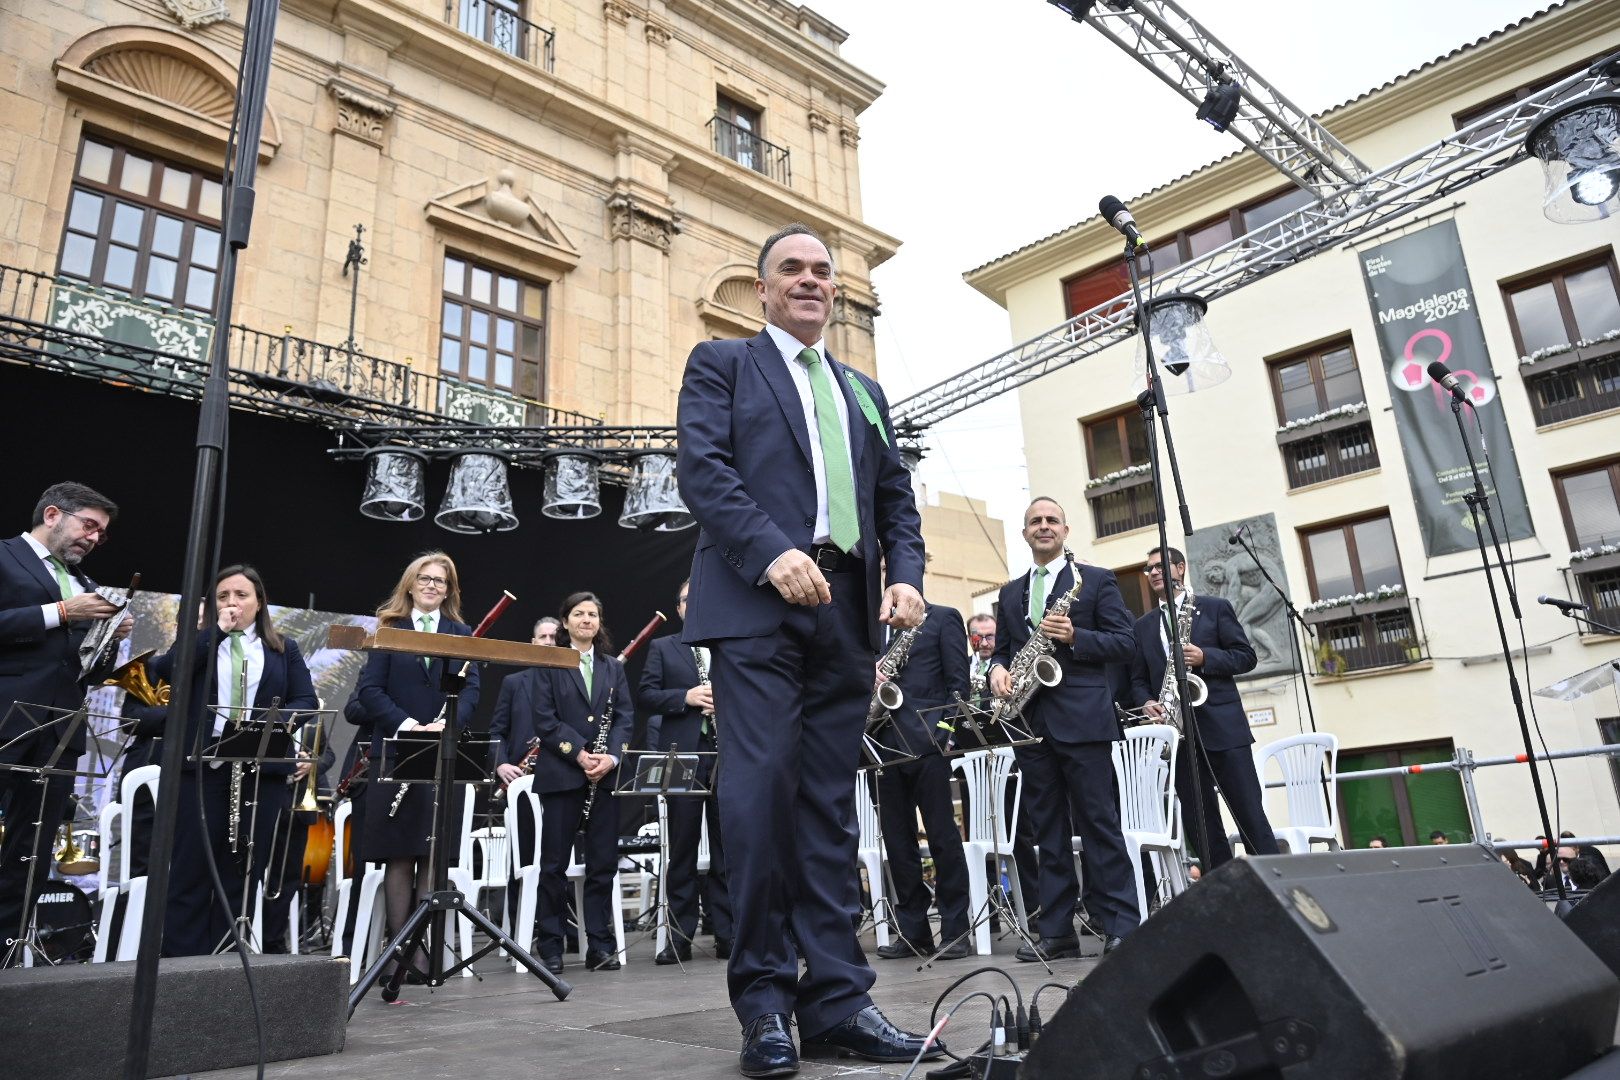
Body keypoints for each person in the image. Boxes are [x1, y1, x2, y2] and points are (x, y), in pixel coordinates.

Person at [677, 222, 939, 1076]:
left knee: (828, 810)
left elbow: (896, 497)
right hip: (759, 605)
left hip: (847, 616)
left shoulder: (863, 391)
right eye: (792, 269)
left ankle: (837, 1000)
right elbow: (704, 472)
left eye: (823, 271)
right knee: (757, 802)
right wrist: (770, 550)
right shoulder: (722, 365)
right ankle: (764, 1005)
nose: (810, 280)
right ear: (762, 289)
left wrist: (906, 574)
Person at [989, 497, 1138, 961]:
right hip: (1031, 723)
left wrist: (1076, 637)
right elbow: (1005, 649)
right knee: (1045, 832)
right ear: (1025, 533)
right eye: (1035, 521)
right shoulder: (1010, 593)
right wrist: (995, 669)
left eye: (1052, 520)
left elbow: (1125, 642)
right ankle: (1056, 932)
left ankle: (1120, 924)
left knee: (1099, 824)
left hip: (1084, 720)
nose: (1044, 526)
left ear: (1066, 530)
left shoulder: (1094, 580)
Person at [150, 565, 318, 956]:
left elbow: (305, 701)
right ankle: (181, 967)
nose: (232, 603)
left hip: (260, 771)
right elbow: (167, 670)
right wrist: (214, 633)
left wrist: (262, 727)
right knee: (191, 868)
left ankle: (225, 964)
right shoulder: (200, 642)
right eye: (223, 596)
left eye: (241, 595)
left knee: (242, 871)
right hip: (201, 769)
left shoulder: (282, 648)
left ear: (259, 602)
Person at [0, 482, 129, 942]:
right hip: (5, 719)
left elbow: (87, 673)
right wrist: (59, 610)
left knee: (31, 849)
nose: (94, 538)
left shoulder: (86, 585)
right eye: (88, 525)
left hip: (58, 733)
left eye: (101, 534)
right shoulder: (5, 556)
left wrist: (108, 638)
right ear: (52, 515)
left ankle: (7, 949)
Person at [356, 552, 480, 980]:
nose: (432, 586)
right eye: (424, 579)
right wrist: (410, 725)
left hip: (442, 752)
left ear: (449, 590)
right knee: (400, 852)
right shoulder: (389, 629)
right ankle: (399, 950)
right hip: (395, 748)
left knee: (431, 850)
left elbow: (472, 690)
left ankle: (423, 947)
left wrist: (446, 725)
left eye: (440, 582)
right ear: (410, 584)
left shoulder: (461, 633)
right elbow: (370, 692)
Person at [1129, 545, 1279, 869]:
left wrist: (1206, 657)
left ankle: (1275, 885)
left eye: (1160, 566)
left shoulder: (1215, 608)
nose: (1153, 572)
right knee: (1201, 824)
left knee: (1249, 814)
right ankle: (1220, 890)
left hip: (1224, 730)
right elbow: (1138, 679)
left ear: (1180, 568)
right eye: (1149, 569)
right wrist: (1146, 702)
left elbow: (1246, 657)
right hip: (1179, 735)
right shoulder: (1143, 626)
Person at [517, 591, 632, 973]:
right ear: (565, 622)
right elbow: (544, 720)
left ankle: (599, 944)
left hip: (604, 777)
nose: (587, 619)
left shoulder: (613, 667)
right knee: (553, 865)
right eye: (579, 614)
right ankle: (550, 944)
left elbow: (625, 718)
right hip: (563, 774)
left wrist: (611, 756)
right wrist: (580, 753)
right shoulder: (550, 661)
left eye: (593, 614)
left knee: (603, 865)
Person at [638, 580, 732, 964]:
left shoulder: (729, 643)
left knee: (727, 849)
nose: (693, 604)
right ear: (677, 608)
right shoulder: (663, 647)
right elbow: (646, 695)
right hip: (683, 757)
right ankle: (678, 938)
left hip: (726, 754)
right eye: (686, 600)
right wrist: (686, 697)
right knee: (681, 849)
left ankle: (728, 936)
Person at [871, 602, 972, 961]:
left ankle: (956, 931)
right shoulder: (869, 621)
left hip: (929, 744)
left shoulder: (942, 617)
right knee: (898, 843)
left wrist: (945, 733)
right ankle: (913, 933)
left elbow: (958, 682)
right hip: (881, 742)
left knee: (944, 838)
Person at [261, 716, 335, 953]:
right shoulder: (268, 712)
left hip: (297, 804)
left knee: (288, 877)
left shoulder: (311, 720)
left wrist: (312, 764)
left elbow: (328, 755)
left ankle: (273, 941)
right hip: (268, 797)